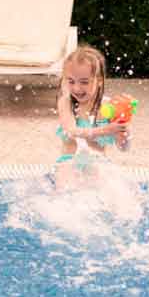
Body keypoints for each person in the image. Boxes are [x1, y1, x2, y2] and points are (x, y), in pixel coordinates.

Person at [54, 44, 131, 189]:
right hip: (69, 162)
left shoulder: (109, 107)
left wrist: (124, 134)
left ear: (99, 80)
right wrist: (105, 130)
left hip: (98, 163)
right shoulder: (66, 103)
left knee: (112, 190)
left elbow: (123, 148)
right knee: (65, 191)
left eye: (84, 82)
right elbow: (72, 131)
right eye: (71, 81)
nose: (77, 88)